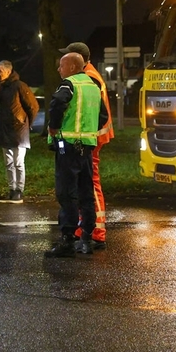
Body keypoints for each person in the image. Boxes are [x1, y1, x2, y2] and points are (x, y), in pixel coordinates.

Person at [45, 52, 109, 257]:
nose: (59, 69)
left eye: (61, 66)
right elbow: (103, 115)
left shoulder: (69, 84)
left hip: (68, 146)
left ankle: (67, 240)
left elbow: (57, 104)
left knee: (66, 193)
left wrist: (53, 127)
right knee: (86, 193)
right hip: (87, 147)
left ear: (72, 67)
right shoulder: (94, 86)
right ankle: (86, 239)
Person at [60, 42, 114, 249]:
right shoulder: (91, 75)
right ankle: (87, 227)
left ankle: (97, 231)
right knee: (86, 182)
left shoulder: (88, 78)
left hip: (90, 138)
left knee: (90, 183)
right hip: (92, 136)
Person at [0, 60, 39, 204]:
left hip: (19, 129)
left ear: (8, 71)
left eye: (0, 71)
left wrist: (26, 123)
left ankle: (19, 190)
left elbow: (33, 106)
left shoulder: (20, 86)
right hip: (5, 128)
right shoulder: (0, 86)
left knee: (18, 162)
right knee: (8, 162)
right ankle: (12, 189)